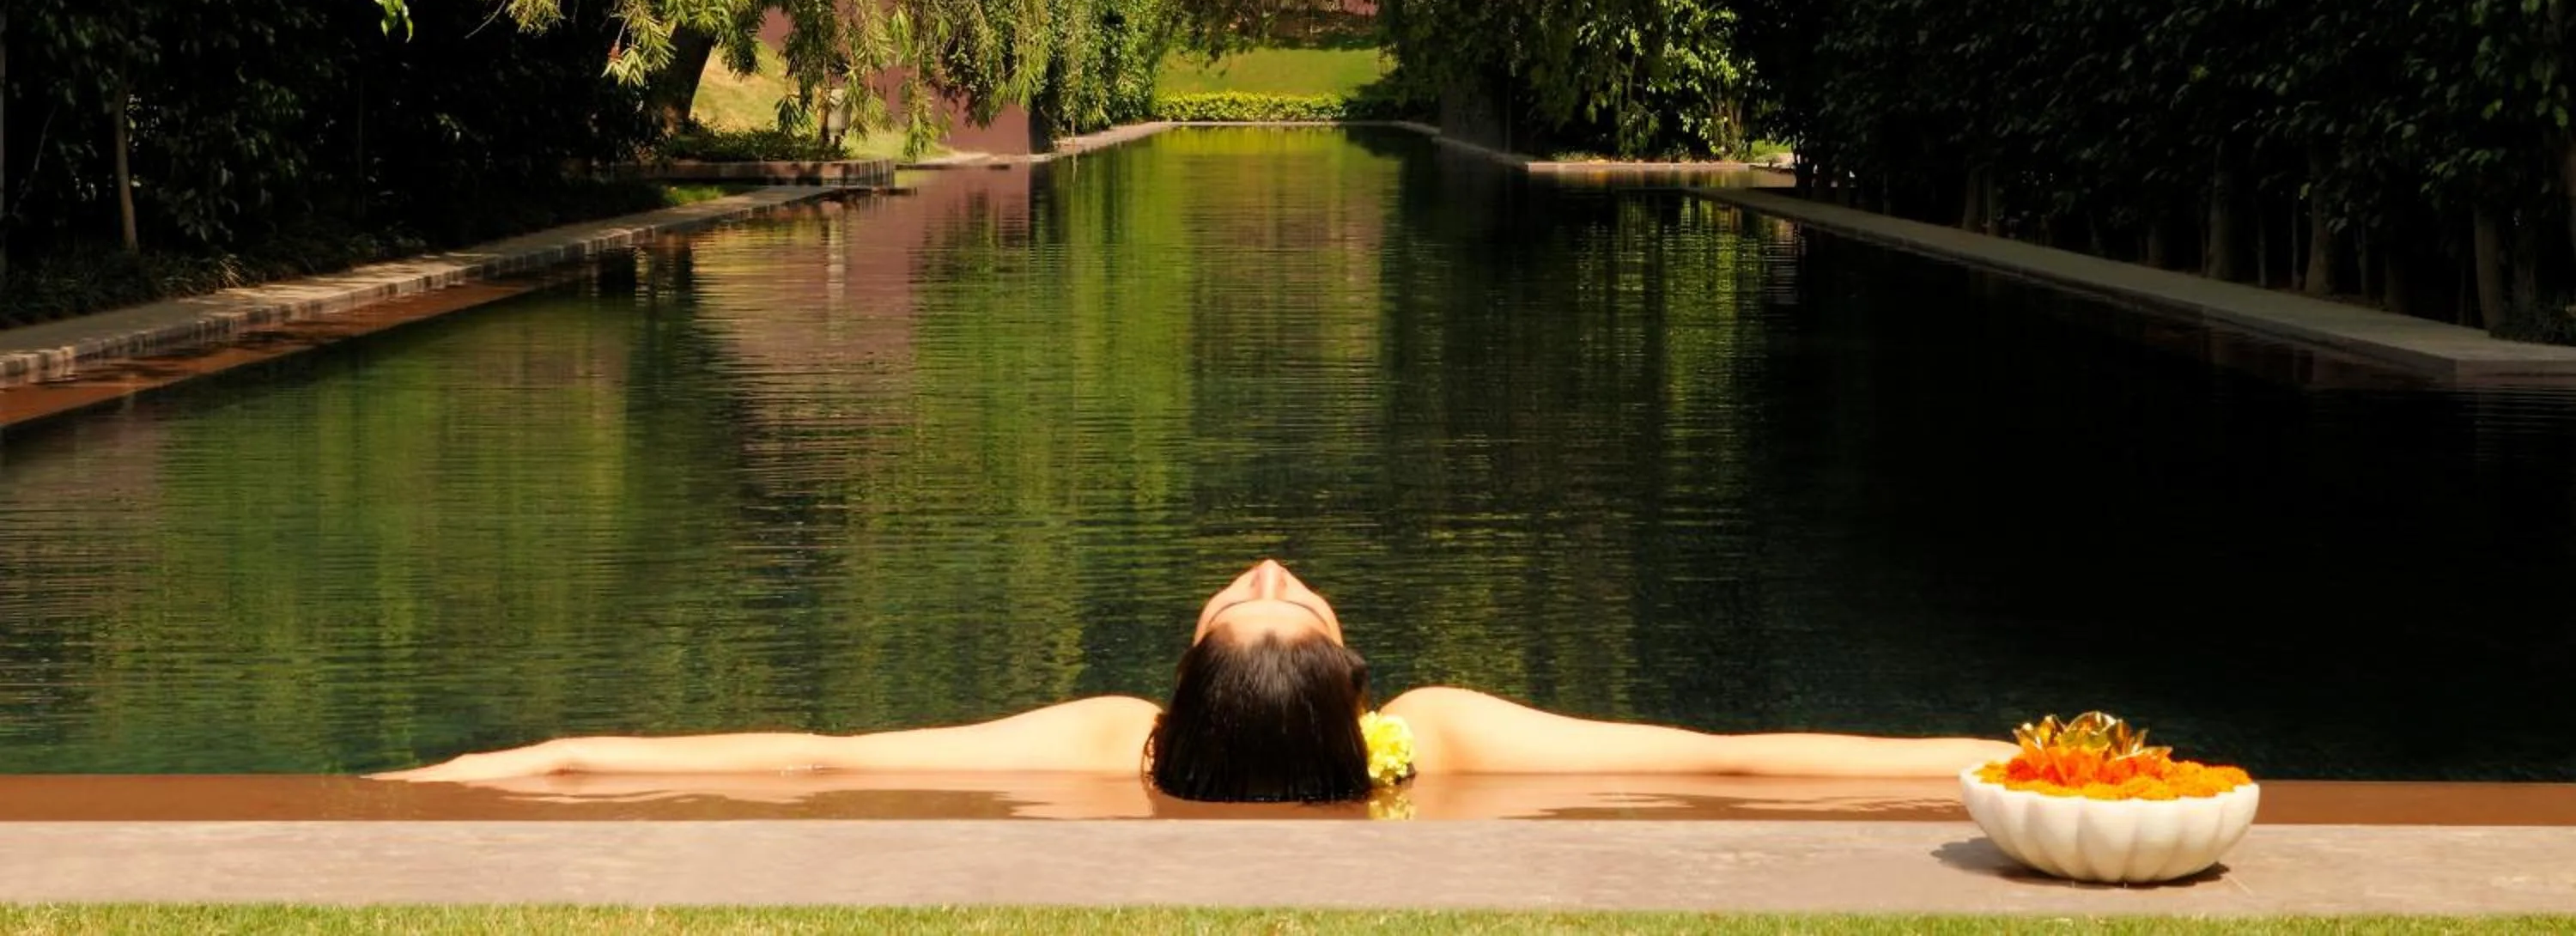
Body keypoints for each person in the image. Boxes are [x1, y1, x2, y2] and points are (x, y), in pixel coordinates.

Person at [380, 559, 2012, 801]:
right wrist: (2009, 755)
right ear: (1353, 697)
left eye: (1251, 597)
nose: (1270, 570)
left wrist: (540, 763)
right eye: (1283, 596)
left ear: (1179, 703)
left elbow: (816, 757)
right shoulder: (1435, 739)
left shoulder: (1114, 747)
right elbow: (1725, 759)